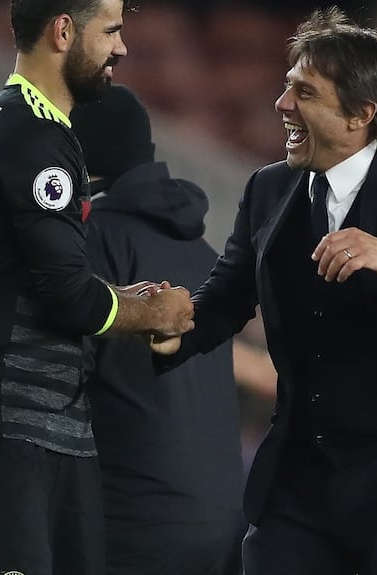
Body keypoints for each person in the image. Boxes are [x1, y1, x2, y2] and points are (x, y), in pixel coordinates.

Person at [151, 7, 377, 575]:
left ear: (360, 114)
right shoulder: (268, 187)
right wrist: (176, 332)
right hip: (301, 471)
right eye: (287, 86)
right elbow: (229, 294)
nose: (282, 104)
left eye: (305, 92)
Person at [0, 1, 194, 574]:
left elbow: (39, 279)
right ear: (63, 32)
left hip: (39, 423)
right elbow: (67, 294)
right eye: (111, 31)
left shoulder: (20, 122)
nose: (122, 48)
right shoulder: (31, 132)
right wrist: (155, 314)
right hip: (3, 419)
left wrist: (130, 300)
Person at [71, 84, 247, 575]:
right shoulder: (203, 253)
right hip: (221, 524)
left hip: (133, 523)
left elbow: (61, 385)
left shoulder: (91, 241)